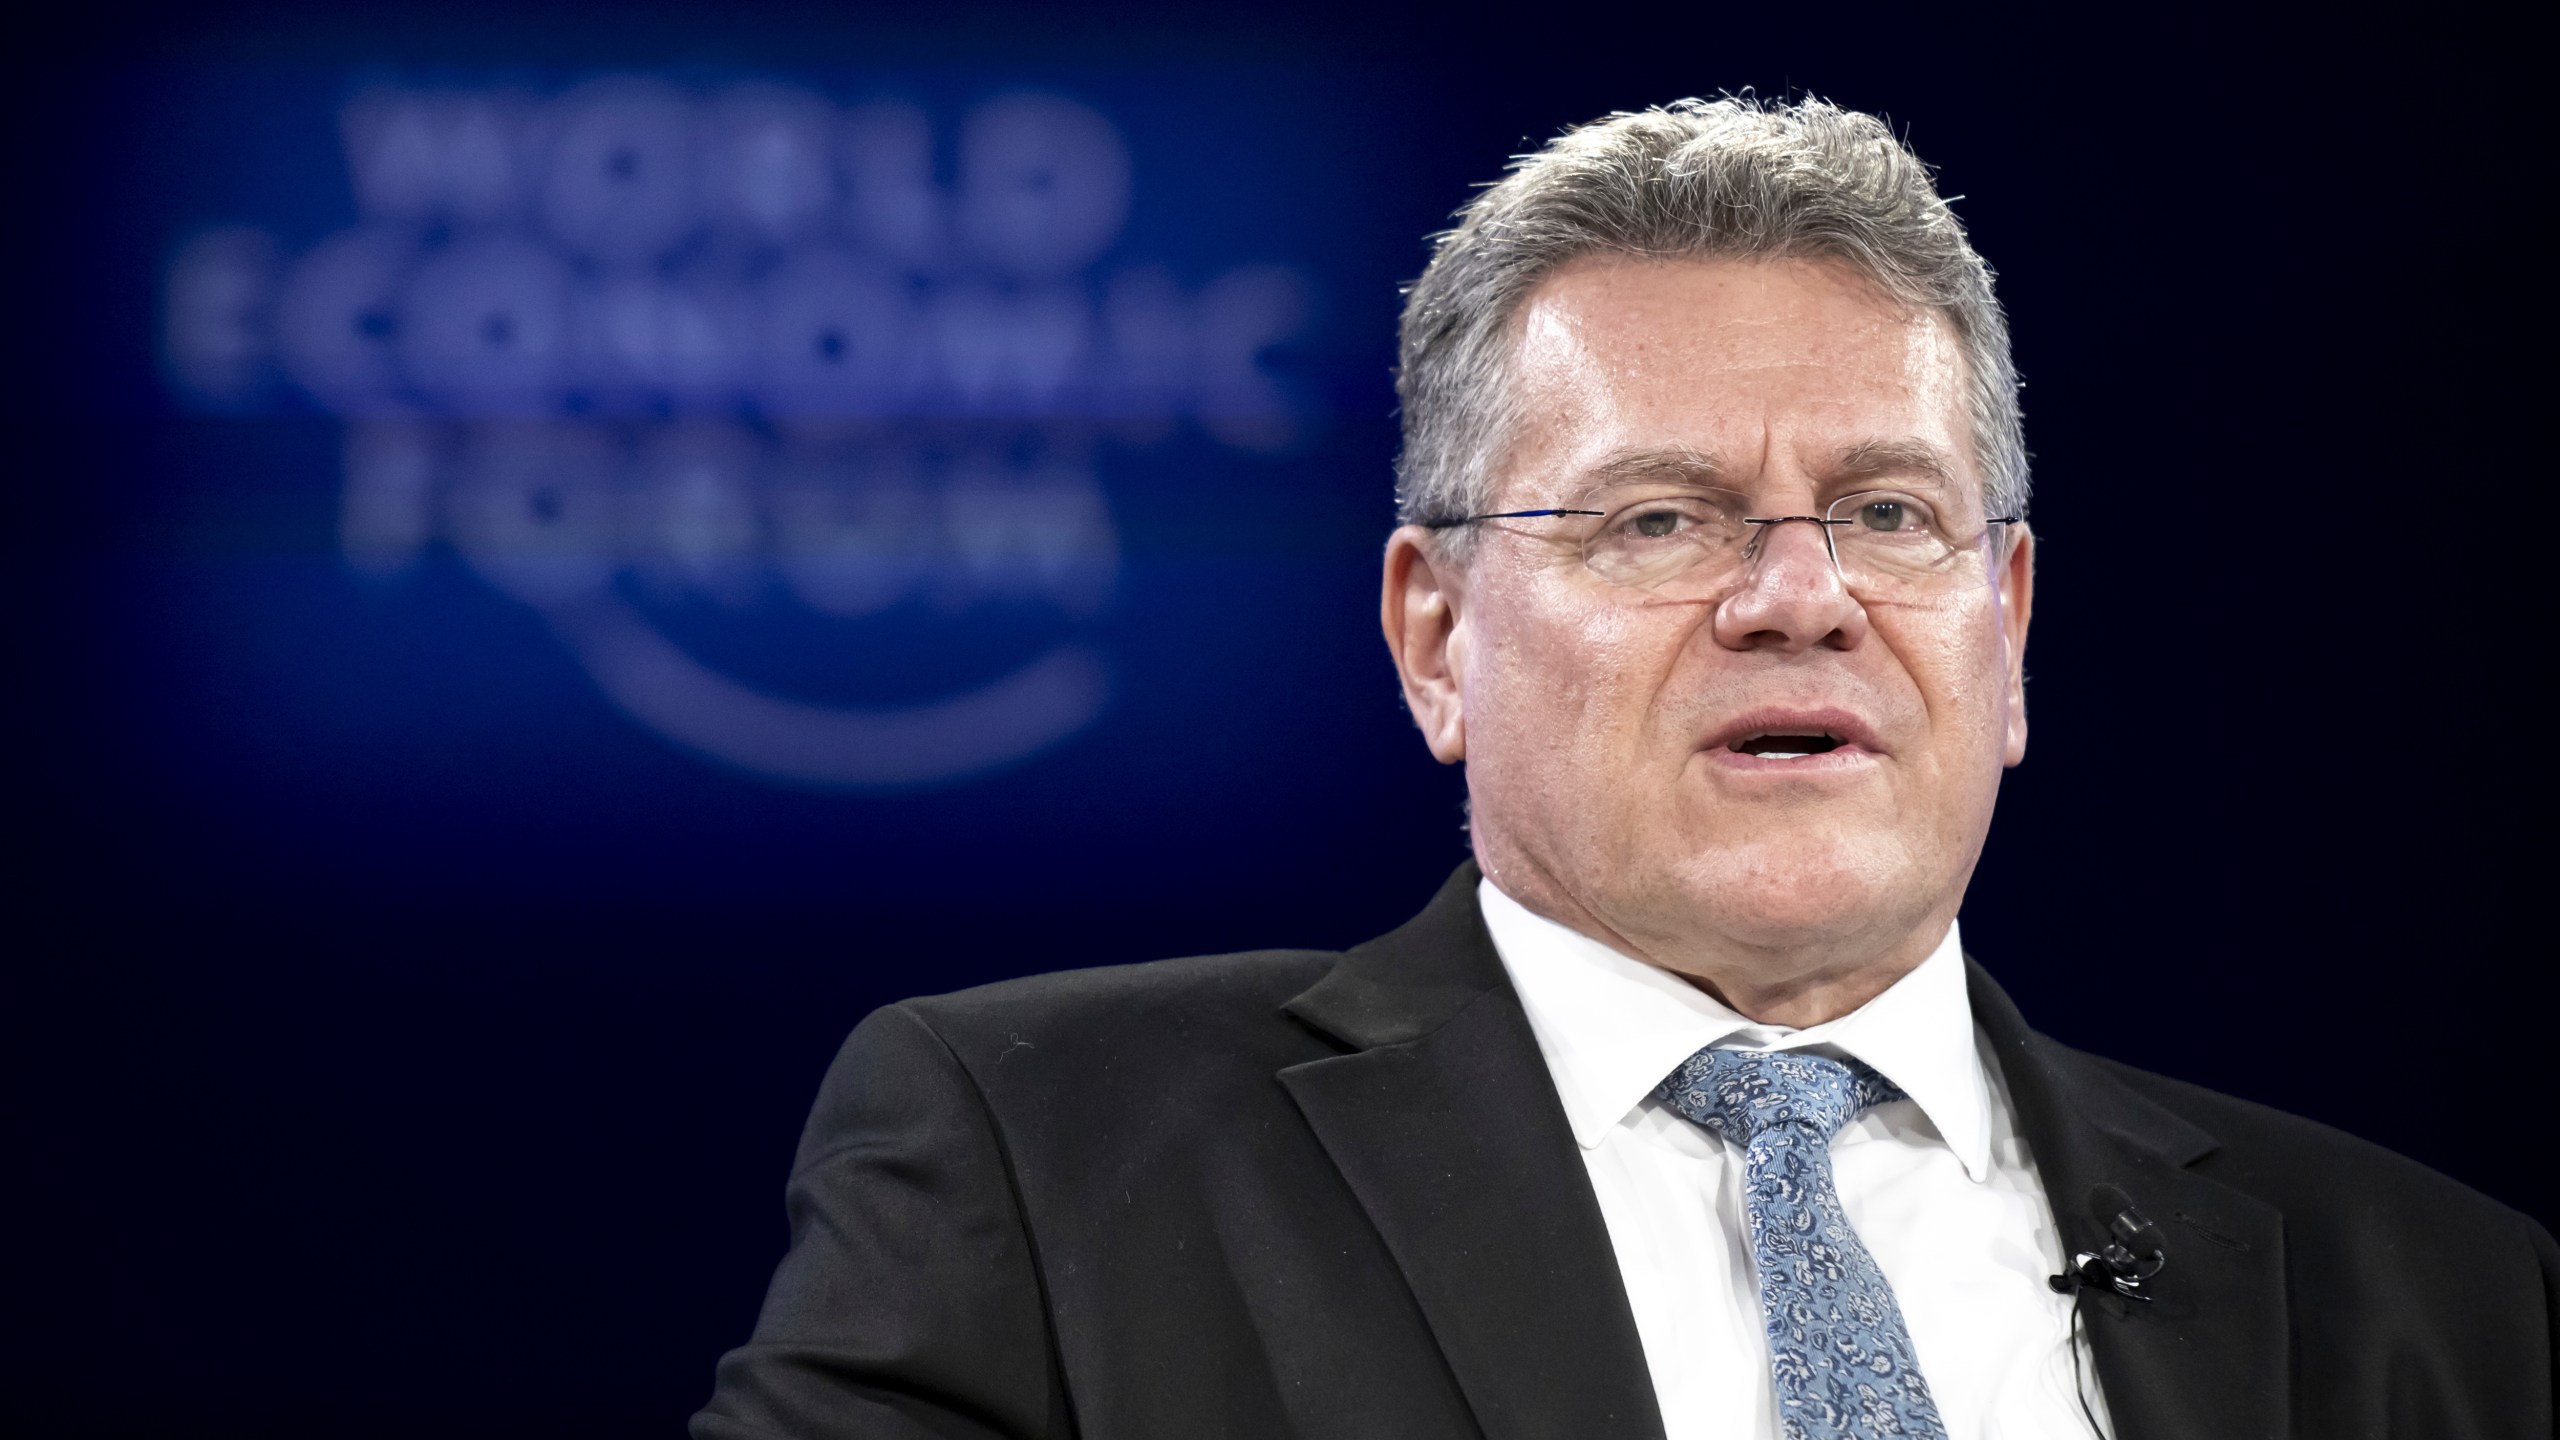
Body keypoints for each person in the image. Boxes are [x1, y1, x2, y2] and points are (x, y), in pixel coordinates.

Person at [692, 98, 2556, 1440]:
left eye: (1889, 513)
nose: (1798, 597)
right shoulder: (1044, 1156)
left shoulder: (2441, 1299)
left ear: (2009, 625)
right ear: (1437, 635)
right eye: (1663, 519)